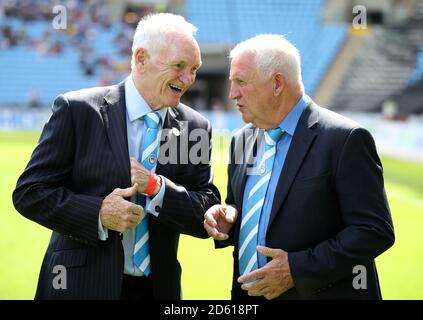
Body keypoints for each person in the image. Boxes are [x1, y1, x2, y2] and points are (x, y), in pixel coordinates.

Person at [13, 13, 220, 300]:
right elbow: (29, 193)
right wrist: (98, 213)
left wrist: (158, 189)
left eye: (194, 69)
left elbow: (206, 207)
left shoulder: (194, 127)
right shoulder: (78, 110)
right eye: (179, 66)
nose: (189, 79)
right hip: (79, 287)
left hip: (158, 291)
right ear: (141, 58)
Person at [203, 34, 395, 300]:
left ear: (277, 83)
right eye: (232, 82)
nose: (232, 93)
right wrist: (230, 217)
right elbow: (245, 206)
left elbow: (373, 231)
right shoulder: (242, 140)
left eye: (241, 82)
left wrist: (297, 269)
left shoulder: (345, 139)